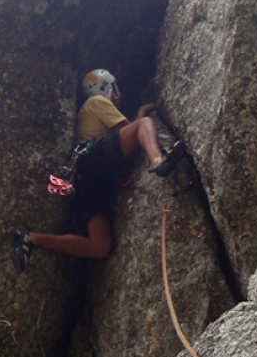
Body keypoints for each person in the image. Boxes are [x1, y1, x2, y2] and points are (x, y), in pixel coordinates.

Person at [10, 68, 185, 271]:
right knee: (144, 124)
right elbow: (129, 129)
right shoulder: (98, 102)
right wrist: (141, 113)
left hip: (86, 179)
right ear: (107, 87)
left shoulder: (88, 109)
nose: (119, 93)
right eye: (115, 87)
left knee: (99, 246)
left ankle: (30, 239)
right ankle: (158, 161)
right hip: (93, 157)